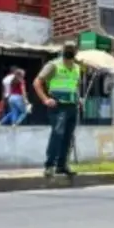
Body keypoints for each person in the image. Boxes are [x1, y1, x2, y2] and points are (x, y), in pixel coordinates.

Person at [33, 41, 81, 177]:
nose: (70, 50)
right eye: (67, 48)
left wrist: (79, 98)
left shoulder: (77, 68)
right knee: (57, 134)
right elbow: (37, 82)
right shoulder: (53, 65)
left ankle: (62, 165)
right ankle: (49, 166)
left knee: (68, 136)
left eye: (72, 48)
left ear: (76, 51)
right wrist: (45, 99)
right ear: (63, 49)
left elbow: (75, 86)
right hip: (58, 106)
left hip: (72, 106)